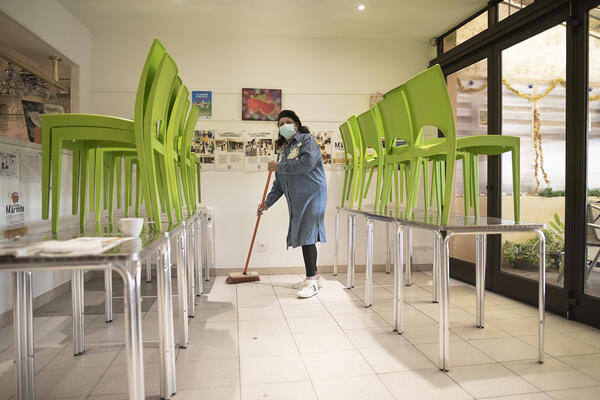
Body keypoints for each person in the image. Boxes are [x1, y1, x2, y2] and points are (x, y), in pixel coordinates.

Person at [258, 110, 327, 298]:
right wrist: (267, 203)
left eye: (288, 122)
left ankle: (311, 281)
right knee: (306, 234)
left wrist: (279, 166)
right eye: (280, 124)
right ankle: (315, 277)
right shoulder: (284, 150)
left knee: (307, 235)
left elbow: (307, 163)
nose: (284, 126)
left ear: (296, 124)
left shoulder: (306, 140)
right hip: (297, 199)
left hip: (313, 194)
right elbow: (279, 182)